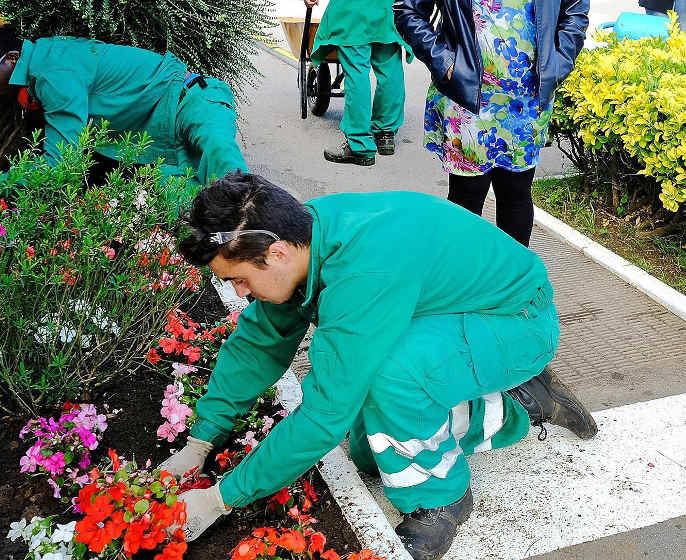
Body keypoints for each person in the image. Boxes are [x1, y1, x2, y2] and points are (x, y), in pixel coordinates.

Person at [164, 172, 597, 560]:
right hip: (457, 312)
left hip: (518, 322)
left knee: (389, 378)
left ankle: (442, 498)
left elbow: (324, 415)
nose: (240, 293)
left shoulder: (362, 270)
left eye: (239, 279)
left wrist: (221, 498)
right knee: (371, 450)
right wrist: (201, 442)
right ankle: (524, 403)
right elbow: (258, 345)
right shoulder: (302, 238)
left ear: (275, 253)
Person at [0, 11, 248, 189]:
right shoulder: (39, 68)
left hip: (190, 102)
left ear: (11, 59)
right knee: (191, 212)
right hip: (159, 144)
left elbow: (60, 163)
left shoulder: (52, 73)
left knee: (231, 180)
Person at [393, 1, 589, 247]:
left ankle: (513, 280)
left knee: (516, 192)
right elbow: (408, 10)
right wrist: (444, 61)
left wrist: (558, 63)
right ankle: (461, 280)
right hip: (467, 95)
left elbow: (575, 11)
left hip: (526, 101)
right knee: (467, 195)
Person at [304, 0, 411, 166]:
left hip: (353, 11)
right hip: (387, 9)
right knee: (390, 71)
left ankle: (359, 146)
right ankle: (385, 134)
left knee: (356, 74)